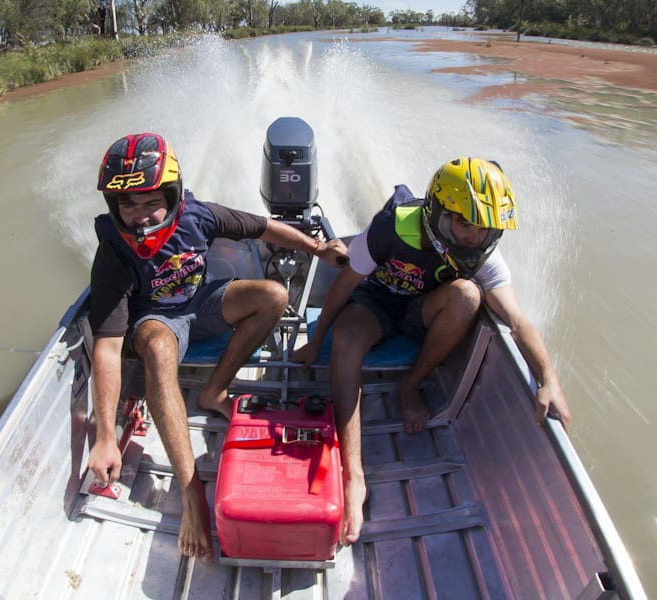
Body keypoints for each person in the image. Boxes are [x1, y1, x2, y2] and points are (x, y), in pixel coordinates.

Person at [85, 132, 348, 559]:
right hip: (158, 323)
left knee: (274, 296)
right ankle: (191, 494)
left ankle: (214, 391)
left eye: (151, 200)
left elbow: (264, 227)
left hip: (202, 304)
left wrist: (318, 249)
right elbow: (108, 347)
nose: (140, 217)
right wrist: (103, 436)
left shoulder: (198, 216)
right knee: (157, 349)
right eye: (127, 205)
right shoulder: (114, 253)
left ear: (172, 194)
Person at [291, 157, 571, 546]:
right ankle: (353, 474)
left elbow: (518, 322)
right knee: (347, 337)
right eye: (465, 224)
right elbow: (344, 283)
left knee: (468, 295)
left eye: (484, 229)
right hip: (376, 302)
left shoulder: (483, 253)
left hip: (422, 311)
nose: (474, 237)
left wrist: (548, 378)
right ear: (438, 213)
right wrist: (317, 339)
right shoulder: (391, 227)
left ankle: (412, 385)